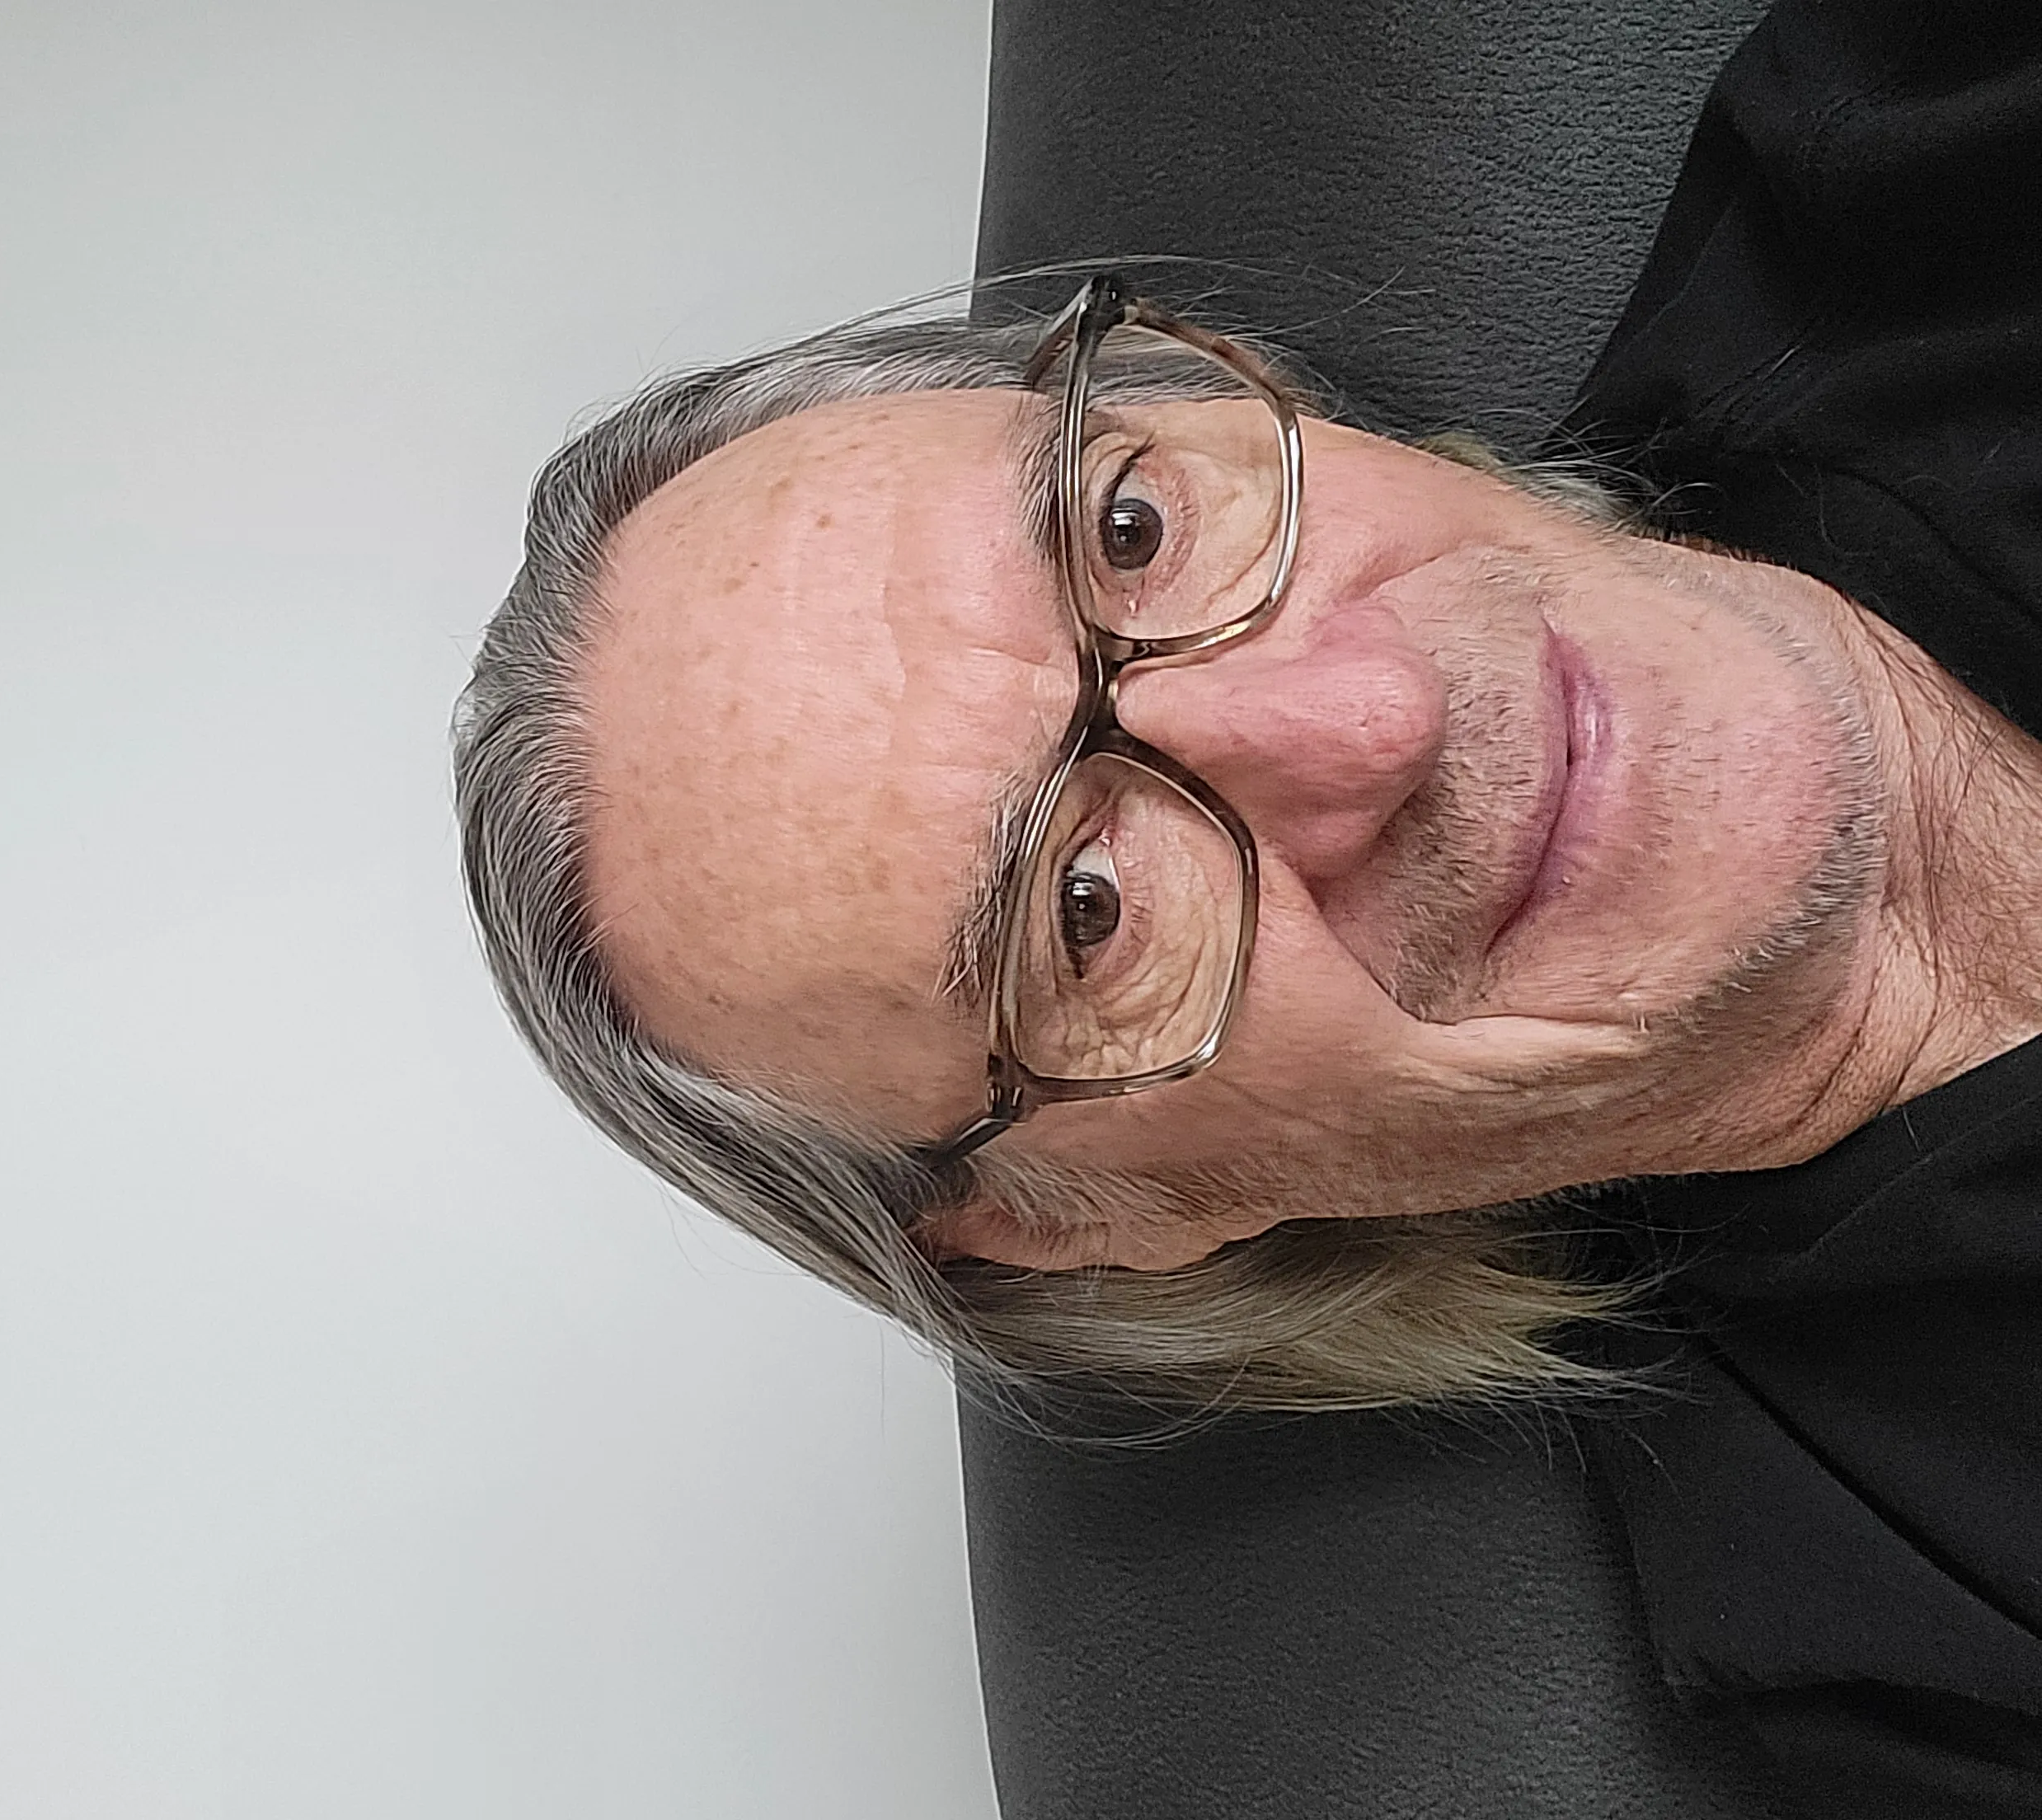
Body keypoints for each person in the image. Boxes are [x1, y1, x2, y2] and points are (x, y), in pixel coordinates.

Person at [457, 0, 2041, 1808]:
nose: (1369, 721)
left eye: (1130, 532)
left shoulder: (1950, 131)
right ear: (1093, 1226)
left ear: (1225, 388)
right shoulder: (1928, 1637)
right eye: (1086, 908)